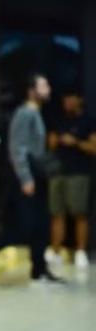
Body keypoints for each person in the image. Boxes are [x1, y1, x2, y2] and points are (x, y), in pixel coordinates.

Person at [0, 73, 63, 282]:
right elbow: (16, 148)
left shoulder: (36, 113)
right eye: (43, 85)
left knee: (40, 226)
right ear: (32, 90)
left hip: (37, 178)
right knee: (22, 228)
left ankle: (39, 270)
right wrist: (26, 178)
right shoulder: (25, 114)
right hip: (24, 180)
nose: (48, 88)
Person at [44, 91, 96, 268]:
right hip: (58, 172)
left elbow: (93, 147)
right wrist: (56, 140)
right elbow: (49, 145)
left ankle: (81, 251)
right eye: (64, 99)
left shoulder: (88, 121)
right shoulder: (58, 120)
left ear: (79, 100)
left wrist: (76, 142)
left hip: (78, 172)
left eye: (71, 99)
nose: (67, 102)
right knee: (57, 213)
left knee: (79, 213)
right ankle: (56, 250)